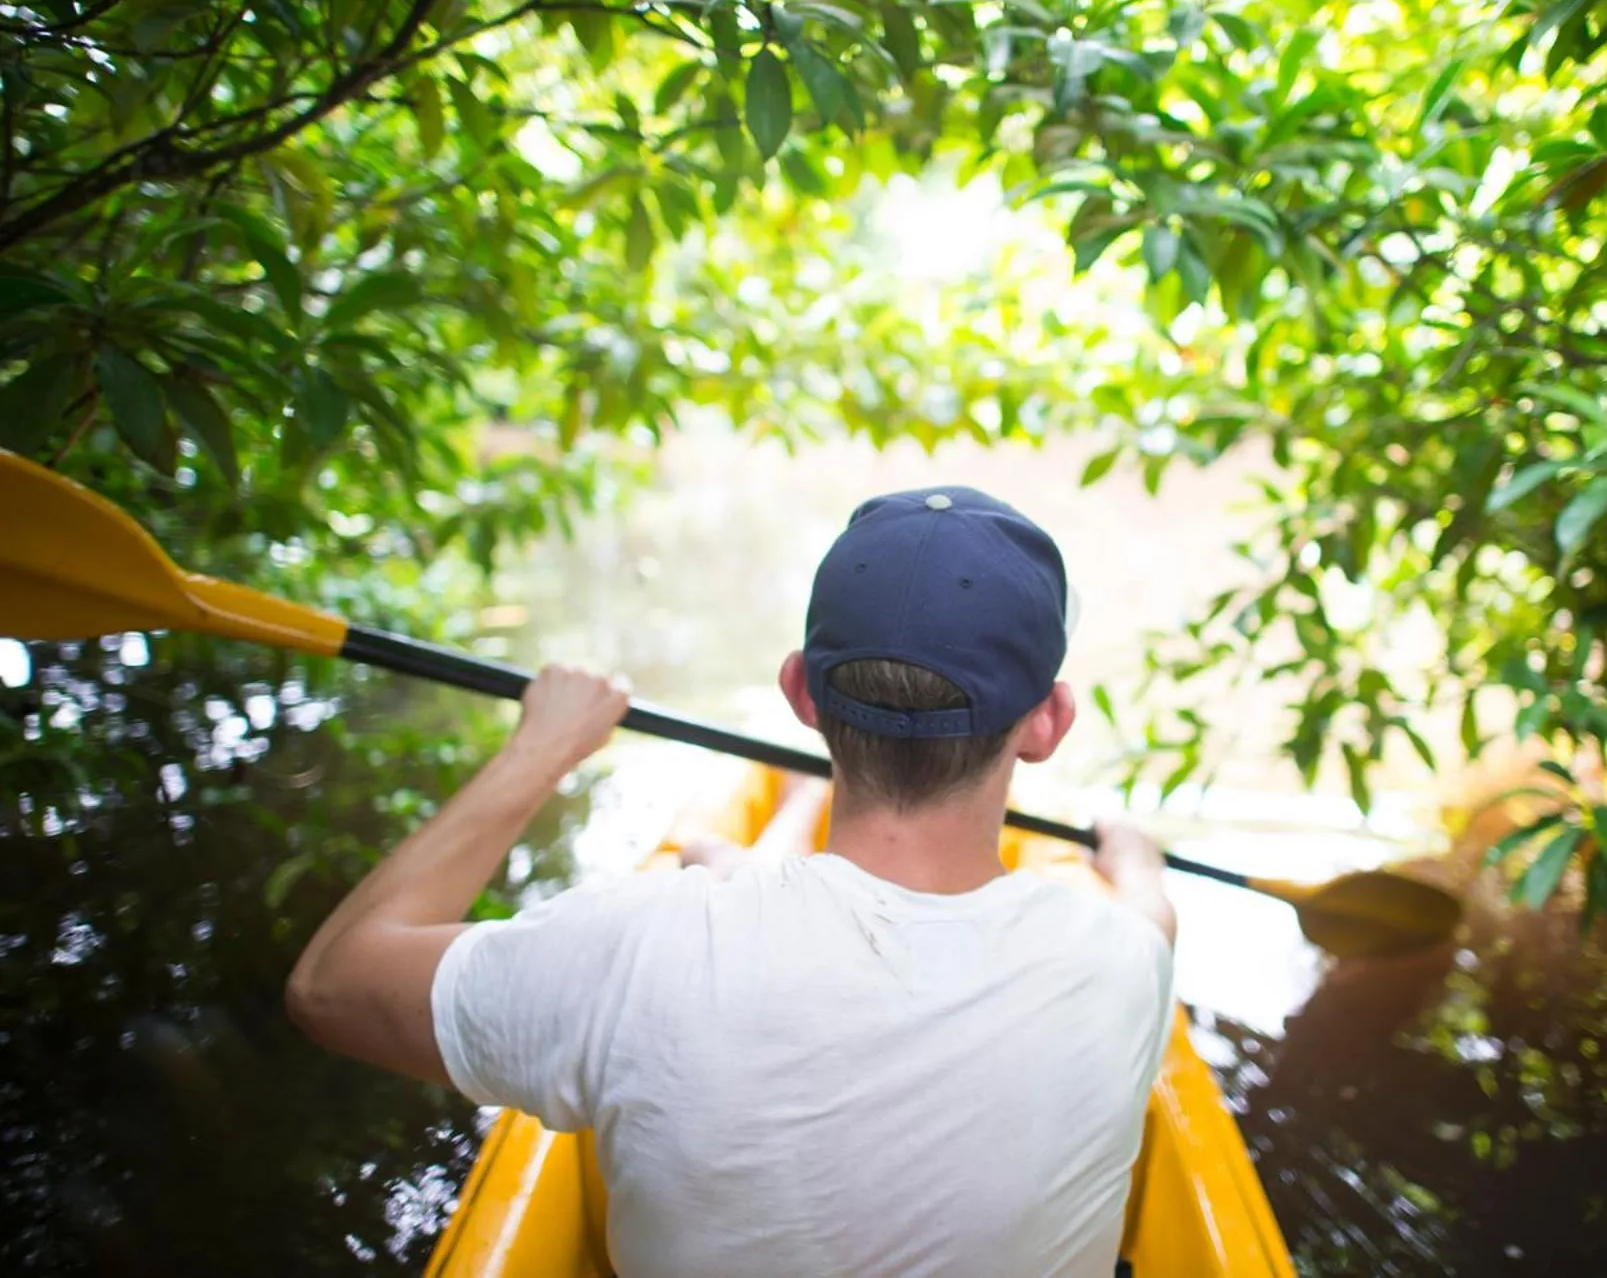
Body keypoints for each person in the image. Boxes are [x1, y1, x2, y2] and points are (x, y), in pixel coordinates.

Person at [285, 485, 1178, 1278]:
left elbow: (331, 985)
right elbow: (1151, 911)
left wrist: (543, 745)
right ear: (1048, 722)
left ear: (801, 693)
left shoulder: (642, 946)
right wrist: (1132, 856)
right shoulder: (1126, 959)